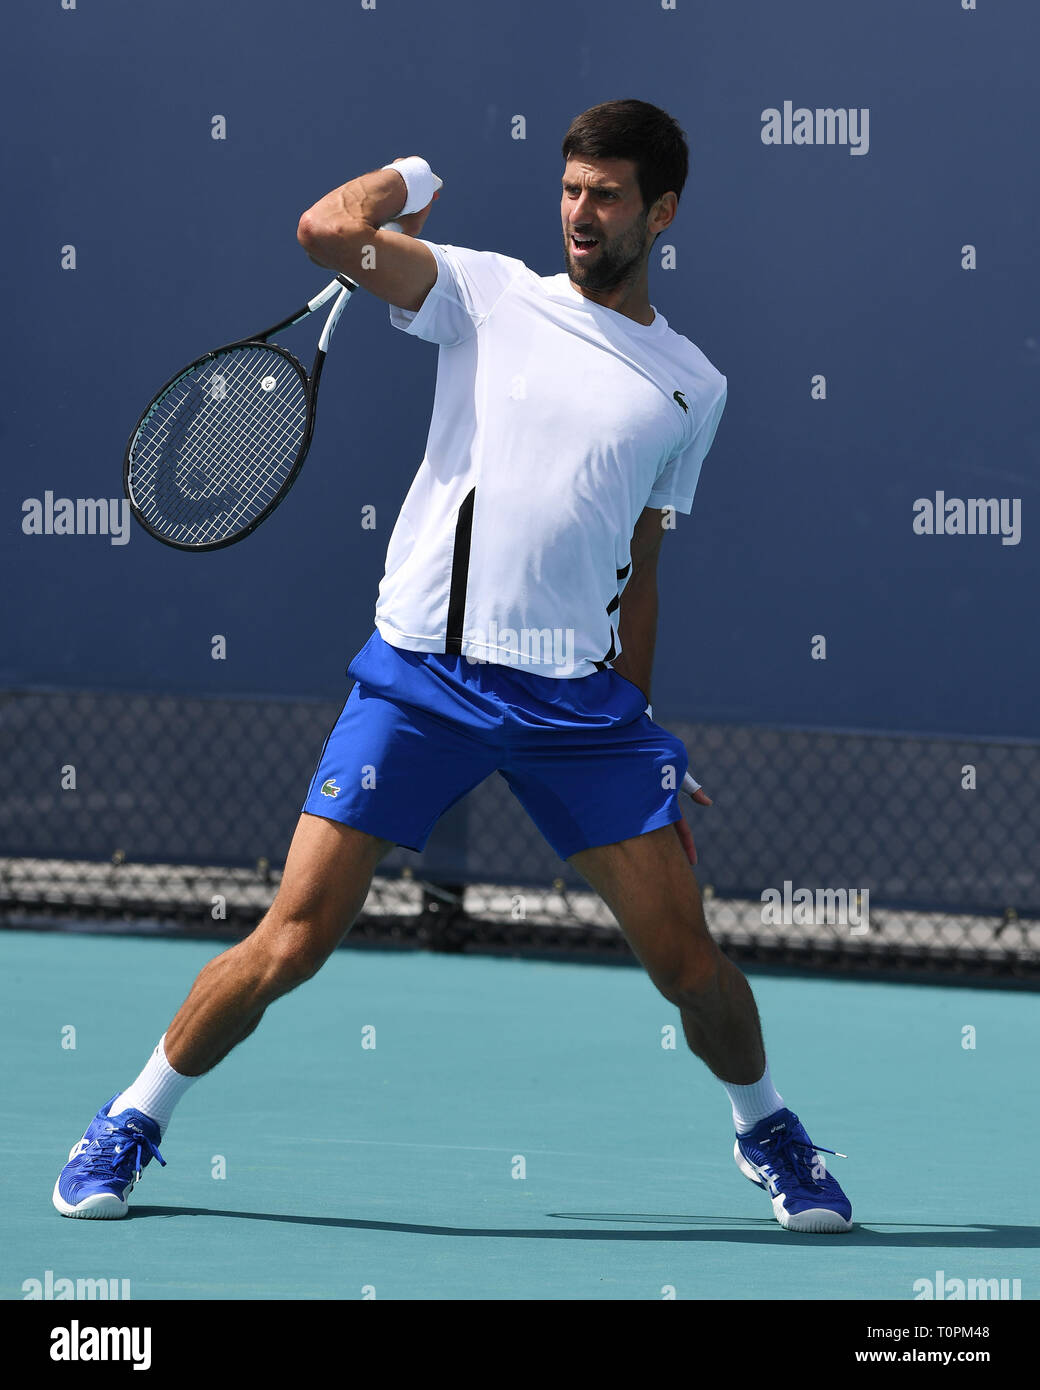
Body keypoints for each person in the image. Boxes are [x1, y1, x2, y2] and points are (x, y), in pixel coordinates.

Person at [54, 99, 852, 1234]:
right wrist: (411, 174)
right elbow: (325, 233)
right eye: (571, 190)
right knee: (290, 940)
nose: (581, 213)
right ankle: (132, 1118)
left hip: (579, 709)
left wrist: (639, 723)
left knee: (686, 960)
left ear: (659, 212)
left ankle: (766, 1129)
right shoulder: (480, 292)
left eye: (608, 195)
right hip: (421, 680)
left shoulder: (692, 384)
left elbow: (641, 559)